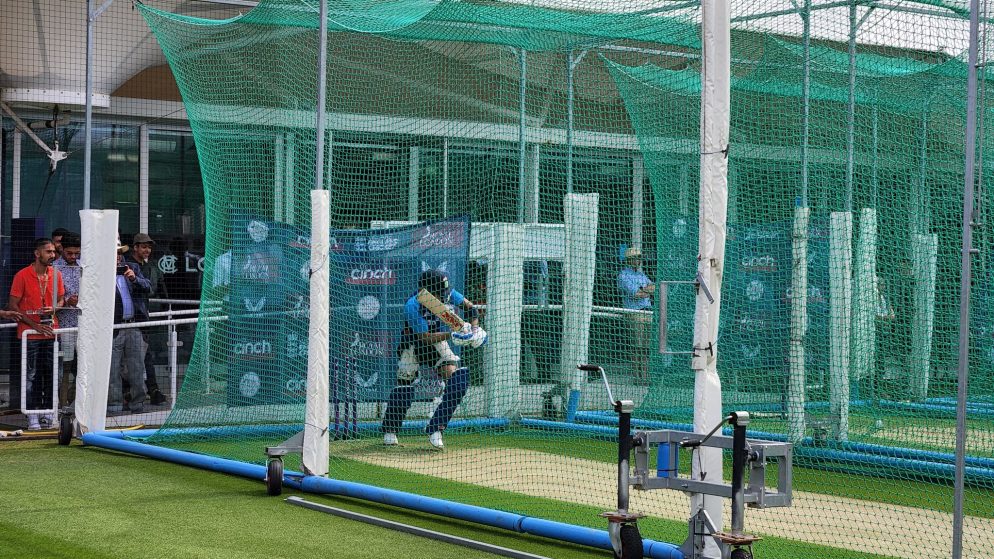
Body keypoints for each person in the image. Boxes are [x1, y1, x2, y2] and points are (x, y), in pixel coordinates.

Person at [381, 269, 486, 449]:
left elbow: (471, 309)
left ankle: (436, 428)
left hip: (436, 343)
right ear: (427, 291)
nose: (443, 297)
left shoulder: (446, 294)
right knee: (404, 387)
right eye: (438, 293)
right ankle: (390, 430)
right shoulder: (413, 305)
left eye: (443, 292)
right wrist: (452, 335)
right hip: (413, 343)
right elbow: (424, 337)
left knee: (457, 380)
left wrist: (475, 329)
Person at [8, 238, 65, 430]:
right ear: (37, 253)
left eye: (53, 251)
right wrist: (35, 325)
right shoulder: (22, 275)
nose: (52, 255)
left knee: (51, 374)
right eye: (48, 251)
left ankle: (48, 412)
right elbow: (12, 306)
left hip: (51, 332)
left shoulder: (56, 274)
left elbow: (61, 299)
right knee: (30, 375)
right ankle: (31, 415)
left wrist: (55, 308)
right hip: (29, 334)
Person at [109, 238, 152, 414]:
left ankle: (138, 404)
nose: (118, 257)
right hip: (113, 328)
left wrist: (134, 279)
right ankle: (114, 405)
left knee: (137, 368)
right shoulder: (100, 272)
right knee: (112, 370)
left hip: (134, 325)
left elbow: (148, 286)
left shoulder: (132, 268)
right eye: (115, 253)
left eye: (120, 253)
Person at [127, 233, 168, 405]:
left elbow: (152, 289)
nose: (147, 250)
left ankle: (152, 389)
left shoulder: (150, 267)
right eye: (143, 246)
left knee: (146, 356)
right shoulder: (126, 264)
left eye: (149, 247)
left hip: (142, 317)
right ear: (135, 247)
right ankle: (131, 393)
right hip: (127, 318)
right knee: (128, 360)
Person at [617, 247, 655, 382]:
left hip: (647, 311)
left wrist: (643, 290)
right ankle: (636, 376)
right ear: (629, 260)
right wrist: (644, 291)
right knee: (637, 346)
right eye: (635, 258)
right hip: (634, 312)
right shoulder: (623, 275)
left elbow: (653, 287)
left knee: (646, 347)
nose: (638, 260)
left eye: (639, 257)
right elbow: (636, 295)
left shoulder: (641, 274)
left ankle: (644, 376)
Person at [54, 234, 81, 408]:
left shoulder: (84, 266)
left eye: (76, 253)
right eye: (69, 253)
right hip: (64, 326)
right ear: (62, 249)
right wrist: (66, 301)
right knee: (65, 368)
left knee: (84, 367)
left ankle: (77, 402)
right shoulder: (54, 269)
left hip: (84, 325)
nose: (73, 257)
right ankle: (62, 404)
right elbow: (49, 299)